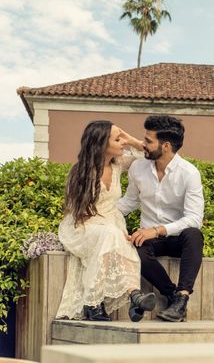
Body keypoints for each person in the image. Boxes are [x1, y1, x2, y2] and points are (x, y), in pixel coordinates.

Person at [56, 120, 157, 322]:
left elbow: (146, 156)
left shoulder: (118, 164)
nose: (122, 142)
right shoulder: (80, 172)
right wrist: (108, 228)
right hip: (83, 227)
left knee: (123, 243)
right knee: (112, 236)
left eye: (122, 138)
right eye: (117, 139)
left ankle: (133, 296)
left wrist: (130, 139)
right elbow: (80, 214)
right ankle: (93, 302)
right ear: (101, 143)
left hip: (111, 224)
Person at [119, 115, 204, 322]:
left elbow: (194, 218)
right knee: (135, 247)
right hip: (150, 241)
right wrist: (98, 215)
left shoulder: (189, 173)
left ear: (165, 146)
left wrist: (158, 230)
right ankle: (174, 297)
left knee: (194, 235)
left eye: (148, 141)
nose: (143, 145)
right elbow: (129, 203)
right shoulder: (138, 168)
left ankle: (183, 296)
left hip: (176, 238)